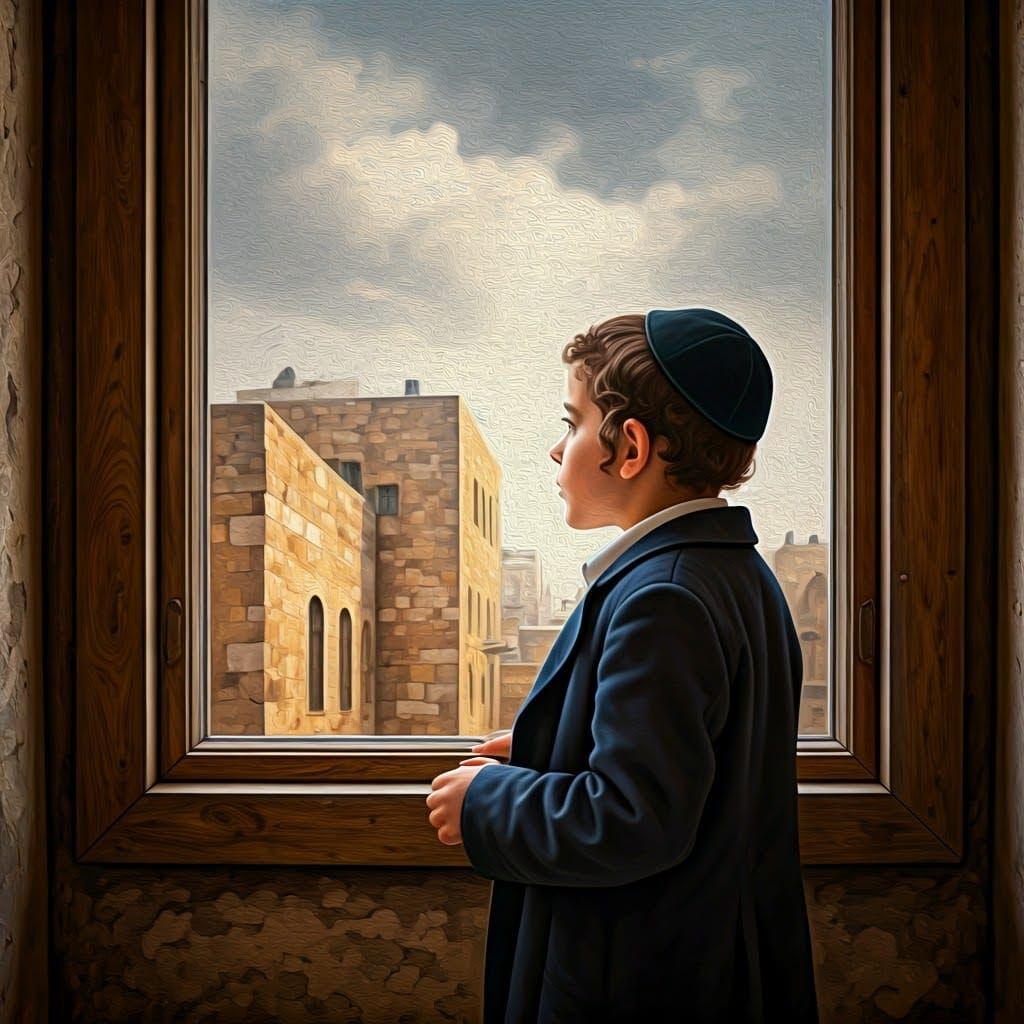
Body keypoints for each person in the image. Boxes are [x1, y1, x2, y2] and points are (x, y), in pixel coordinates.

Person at [425, 308, 819, 1022]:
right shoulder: (734, 574)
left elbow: (633, 818)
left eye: (572, 422)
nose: (556, 450)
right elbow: (702, 759)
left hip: (640, 987)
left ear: (629, 447)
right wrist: (558, 746)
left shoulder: (664, 596)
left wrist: (483, 804)